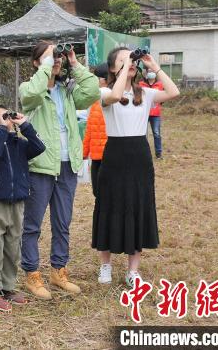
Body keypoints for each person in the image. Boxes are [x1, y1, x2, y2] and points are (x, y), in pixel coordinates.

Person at [18, 41, 99, 300]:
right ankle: (32, 274)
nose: (56, 60)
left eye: (58, 56)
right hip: (41, 166)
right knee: (32, 225)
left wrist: (74, 62)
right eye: (49, 57)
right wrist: (45, 67)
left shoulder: (67, 90)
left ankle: (58, 270)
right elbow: (30, 96)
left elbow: (93, 90)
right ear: (36, 62)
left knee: (62, 222)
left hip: (67, 165)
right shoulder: (31, 89)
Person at [93, 48, 179, 286]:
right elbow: (115, 94)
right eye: (121, 60)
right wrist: (125, 67)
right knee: (109, 206)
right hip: (115, 156)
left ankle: (133, 270)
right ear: (112, 69)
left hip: (140, 156)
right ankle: (105, 265)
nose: (129, 63)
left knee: (138, 206)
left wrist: (153, 66)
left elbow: (173, 92)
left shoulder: (147, 94)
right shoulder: (105, 92)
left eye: (131, 60)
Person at [0, 106, 45, 312]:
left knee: (12, 245)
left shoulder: (20, 144)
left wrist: (23, 124)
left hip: (17, 202)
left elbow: (40, 146)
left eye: (5, 116)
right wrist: (1, 130)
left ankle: (8, 287)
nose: (2, 121)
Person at [82, 64, 109, 200]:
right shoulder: (97, 100)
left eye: (95, 78)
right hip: (105, 155)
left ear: (103, 80)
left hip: (101, 157)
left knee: (100, 193)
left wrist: (84, 153)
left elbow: (89, 130)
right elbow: (90, 129)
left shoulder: (97, 101)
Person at [140, 70, 165, 159]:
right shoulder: (141, 84)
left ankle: (158, 154)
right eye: (149, 71)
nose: (151, 73)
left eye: (152, 71)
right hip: (144, 113)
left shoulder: (160, 85)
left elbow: (163, 97)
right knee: (142, 134)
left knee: (156, 133)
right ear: (146, 74)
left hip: (155, 113)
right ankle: (143, 153)